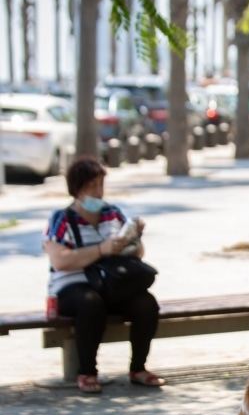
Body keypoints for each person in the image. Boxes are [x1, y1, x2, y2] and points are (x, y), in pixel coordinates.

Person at [42, 156, 165, 394]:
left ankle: (138, 368)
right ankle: (87, 371)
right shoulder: (62, 219)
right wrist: (101, 249)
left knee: (146, 303)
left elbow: (137, 254)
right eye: (91, 186)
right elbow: (60, 260)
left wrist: (133, 237)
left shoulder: (112, 213)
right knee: (90, 302)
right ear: (77, 189)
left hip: (112, 284)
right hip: (73, 287)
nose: (98, 192)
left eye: (100, 184)